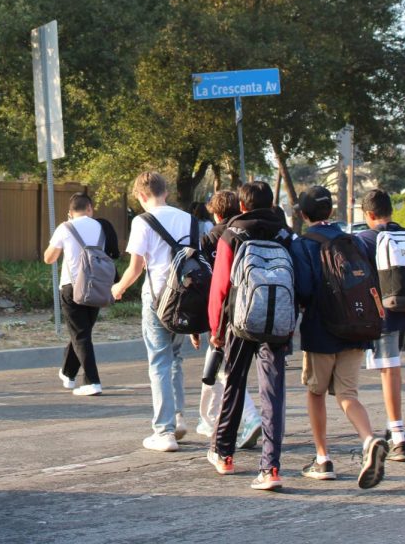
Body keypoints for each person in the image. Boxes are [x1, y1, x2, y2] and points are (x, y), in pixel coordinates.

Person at [290, 185, 389, 489]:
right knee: (348, 395)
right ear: (332, 212)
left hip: (321, 329)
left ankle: (323, 459)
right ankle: (369, 439)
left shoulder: (303, 245)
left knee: (316, 392)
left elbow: (304, 290)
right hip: (357, 327)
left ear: (304, 215)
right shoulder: (356, 241)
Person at [205, 181, 292, 490]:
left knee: (234, 385)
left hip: (240, 322)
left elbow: (220, 287)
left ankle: (224, 455)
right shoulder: (285, 234)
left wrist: (216, 328)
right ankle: (271, 469)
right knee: (273, 393)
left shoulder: (232, 234)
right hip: (279, 323)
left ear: (241, 206)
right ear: (271, 205)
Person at [111, 171, 196, 453]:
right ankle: (179, 417)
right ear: (165, 192)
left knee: (159, 360)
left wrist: (118, 288)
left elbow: (136, 268)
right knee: (176, 358)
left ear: (141, 196)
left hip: (158, 298)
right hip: (186, 298)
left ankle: (164, 431)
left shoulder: (142, 221)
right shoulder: (189, 219)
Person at [353, 188, 405, 462]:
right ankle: (392, 425)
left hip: (384, 314)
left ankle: (398, 433)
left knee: (389, 371)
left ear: (369, 215)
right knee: (391, 370)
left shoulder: (365, 240)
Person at [195, 189, 263, 451]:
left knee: (225, 370)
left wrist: (208, 323)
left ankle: (249, 418)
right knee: (215, 369)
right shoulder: (248, 233)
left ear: (216, 212)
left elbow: (209, 281)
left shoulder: (212, 238)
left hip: (223, 311)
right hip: (254, 306)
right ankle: (209, 419)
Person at [43, 193, 106, 397]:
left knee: (80, 334)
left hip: (72, 286)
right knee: (83, 332)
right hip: (96, 285)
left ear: (70, 212)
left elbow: (49, 258)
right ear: (90, 208)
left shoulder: (65, 227)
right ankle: (68, 373)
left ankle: (92, 381)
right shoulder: (100, 226)